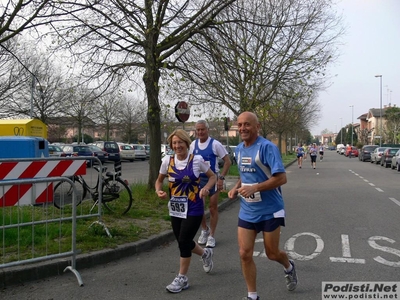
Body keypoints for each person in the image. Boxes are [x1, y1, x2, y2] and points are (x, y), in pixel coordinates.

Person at [227, 112, 298, 300]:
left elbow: (281, 178)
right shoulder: (239, 149)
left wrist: (255, 188)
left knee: (272, 253)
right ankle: (252, 296)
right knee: (244, 253)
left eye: (247, 125)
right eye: (240, 125)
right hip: (248, 210)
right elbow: (245, 174)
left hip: (270, 210)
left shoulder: (267, 148)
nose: (242, 128)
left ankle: (289, 266)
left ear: (257, 127)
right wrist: (236, 188)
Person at [155, 129, 217, 293]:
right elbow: (159, 181)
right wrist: (158, 190)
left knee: (183, 241)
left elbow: (212, 177)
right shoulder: (167, 160)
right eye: (174, 143)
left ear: (186, 143)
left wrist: (206, 188)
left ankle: (182, 278)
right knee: (184, 242)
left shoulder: (196, 160)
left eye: (180, 142)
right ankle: (205, 254)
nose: (177, 146)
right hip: (176, 209)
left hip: (194, 208)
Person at [190, 120, 231, 248]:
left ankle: (212, 235)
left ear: (208, 130)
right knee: (199, 207)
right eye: (198, 130)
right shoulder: (193, 145)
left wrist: (221, 178)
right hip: (198, 180)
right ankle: (204, 229)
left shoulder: (215, 144)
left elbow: (227, 161)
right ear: (195, 131)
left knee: (213, 207)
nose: (200, 132)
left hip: (212, 178)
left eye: (203, 129)